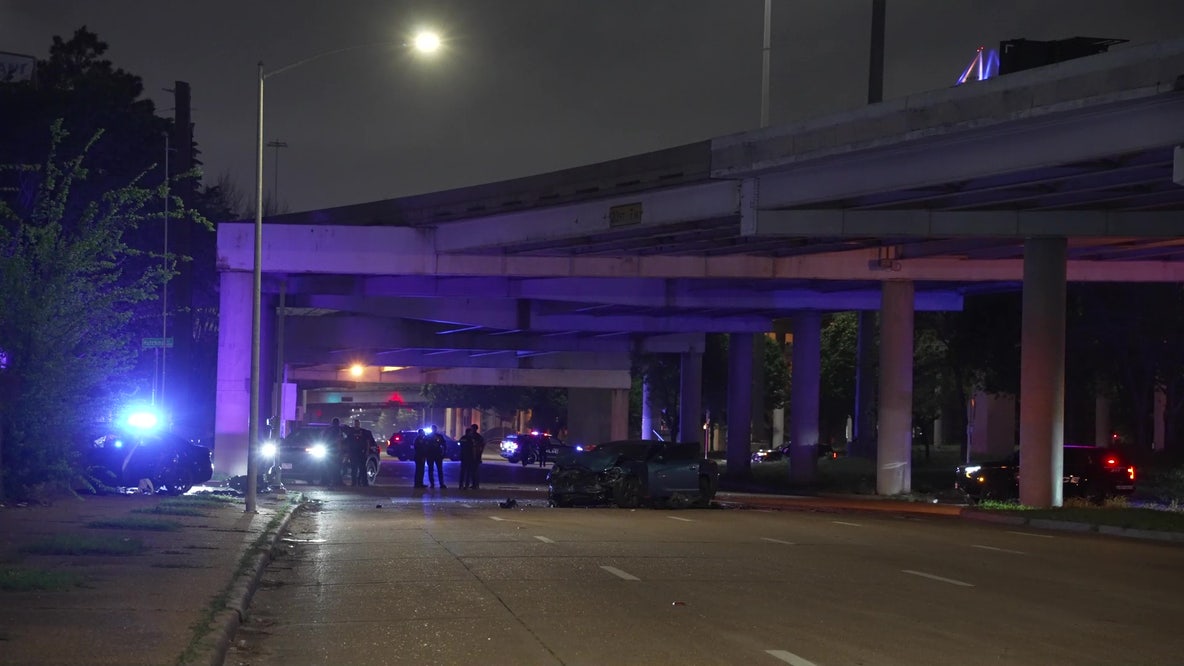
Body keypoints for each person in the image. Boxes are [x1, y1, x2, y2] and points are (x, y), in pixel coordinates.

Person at [348, 419, 374, 487]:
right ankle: (354, 483)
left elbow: (367, 442)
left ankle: (364, 483)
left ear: (359, 424)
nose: (356, 424)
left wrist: (367, 451)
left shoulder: (364, 432)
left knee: (362, 468)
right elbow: (348, 442)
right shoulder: (351, 432)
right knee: (354, 469)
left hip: (361, 452)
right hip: (353, 453)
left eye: (358, 423)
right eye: (355, 423)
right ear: (354, 424)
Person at [322, 418, 345, 486]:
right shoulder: (338, 430)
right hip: (335, 450)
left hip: (328, 450)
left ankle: (326, 481)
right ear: (338, 423)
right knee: (337, 467)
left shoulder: (327, 430)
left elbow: (323, 438)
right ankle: (337, 481)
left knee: (328, 466)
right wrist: (340, 450)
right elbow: (340, 440)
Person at [458, 425, 477, 489]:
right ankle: (466, 485)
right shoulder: (471, 439)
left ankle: (461, 485)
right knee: (468, 472)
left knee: (462, 472)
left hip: (463, 457)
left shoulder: (462, 438)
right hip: (469, 457)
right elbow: (473, 448)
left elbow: (459, 445)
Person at [469, 424, 486, 489]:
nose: (472, 430)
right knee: (471, 471)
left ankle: (475, 484)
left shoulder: (478, 437)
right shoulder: (470, 436)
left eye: (473, 428)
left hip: (476, 456)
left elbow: (482, 446)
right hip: (471, 455)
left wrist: (479, 453)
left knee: (475, 471)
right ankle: (473, 484)